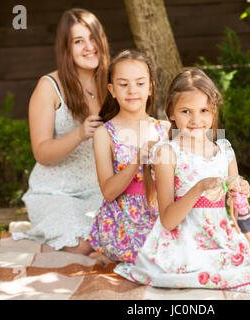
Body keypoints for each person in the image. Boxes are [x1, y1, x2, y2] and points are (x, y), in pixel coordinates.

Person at [114, 68, 250, 295]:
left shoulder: (224, 150)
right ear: (172, 113)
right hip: (185, 242)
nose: (196, 120)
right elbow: (168, 220)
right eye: (186, 111)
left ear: (214, 111)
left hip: (221, 235)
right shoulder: (167, 152)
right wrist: (198, 188)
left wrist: (240, 191)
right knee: (226, 271)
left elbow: (235, 209)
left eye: (204, 110)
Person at [12, 8, 110, 255]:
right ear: (66, 49)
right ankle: (42, 241)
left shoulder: (112, 84)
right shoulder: (49, 87)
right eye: (79, 41)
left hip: (100, 190)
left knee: (115, 238)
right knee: (82, 246)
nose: (89, 47)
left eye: (93, 38)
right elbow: (42, 153)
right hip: (56, 193)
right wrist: (79, 134)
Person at [85, 49, 170, 263]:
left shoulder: (165, 129)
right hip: (124, 220)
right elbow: (109, 192)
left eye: (140, 83)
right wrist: (137, 160)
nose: (132, 90)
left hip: (162, 211)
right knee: (152, 258)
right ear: (112, 90)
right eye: (123, 84)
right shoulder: (105, 133)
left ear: (150, 87)